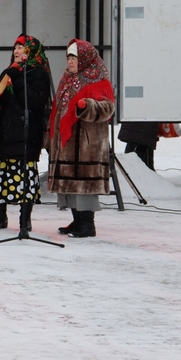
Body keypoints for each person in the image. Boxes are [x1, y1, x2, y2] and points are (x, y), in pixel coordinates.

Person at [0, 35, 52, 232]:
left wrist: (17, 80)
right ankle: (0, 216)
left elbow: (35, 101)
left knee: (24, 177)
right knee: (0, 177)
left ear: (30, 51)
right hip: (4, 133)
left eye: (21, 47)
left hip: (25, 134)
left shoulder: (39, 73)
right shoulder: (10, 71)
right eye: (15, 47)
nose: (16, 51)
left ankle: (25, 218)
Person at [47, 39, 115, 238]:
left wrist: (87, 106)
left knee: (83, 187)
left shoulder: (98, 79)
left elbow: (107, 108)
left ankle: (87, 224)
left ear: (84, 58)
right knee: (71, 186)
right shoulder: (67, 78)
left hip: (87, 145)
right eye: (68, 57)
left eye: (74, 57)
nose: (70, 61)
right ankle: (77, 220)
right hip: (68, 144)